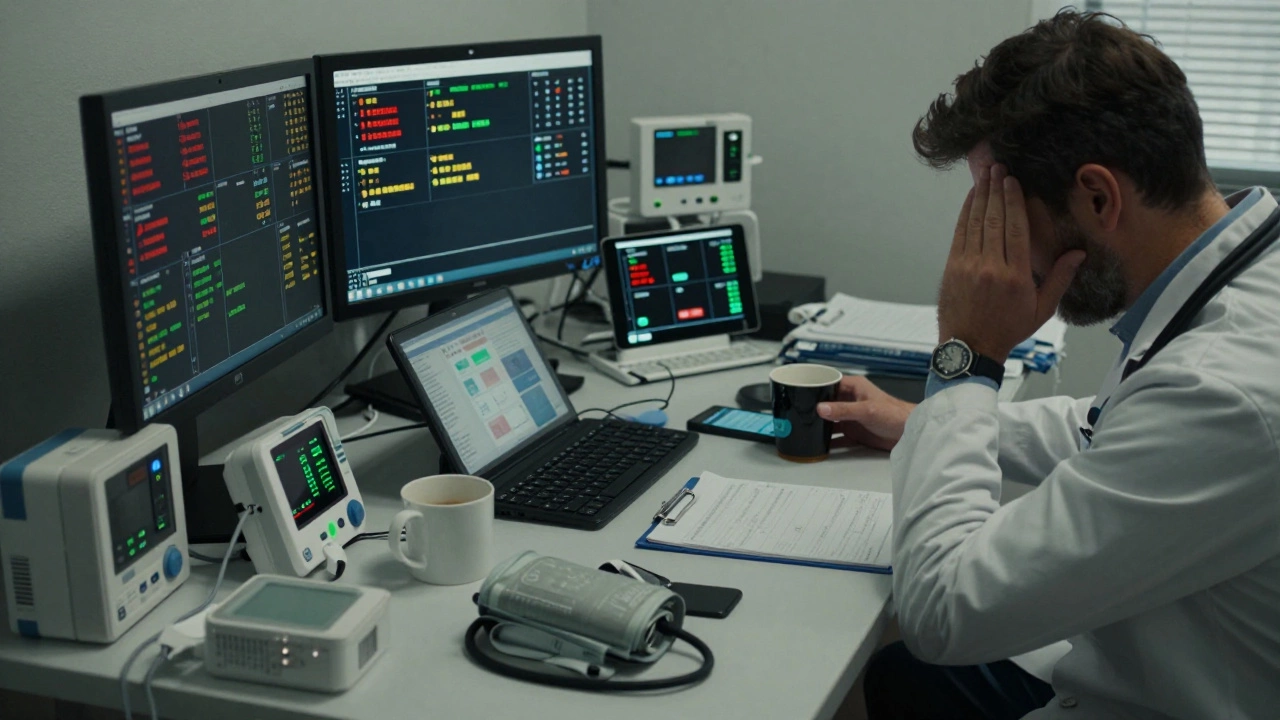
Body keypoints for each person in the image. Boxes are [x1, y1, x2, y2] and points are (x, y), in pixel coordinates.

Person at [819, 10, 1280, 720]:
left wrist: (967, 362)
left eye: (998, 216)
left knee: (897, 662)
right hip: (1155, 659)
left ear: (1097, 196)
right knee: (898, 675)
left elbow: (946, 611)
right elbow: (1111, 432)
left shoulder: (1223, 388)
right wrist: (926, 421)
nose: (992, 252)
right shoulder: (1237, 284)